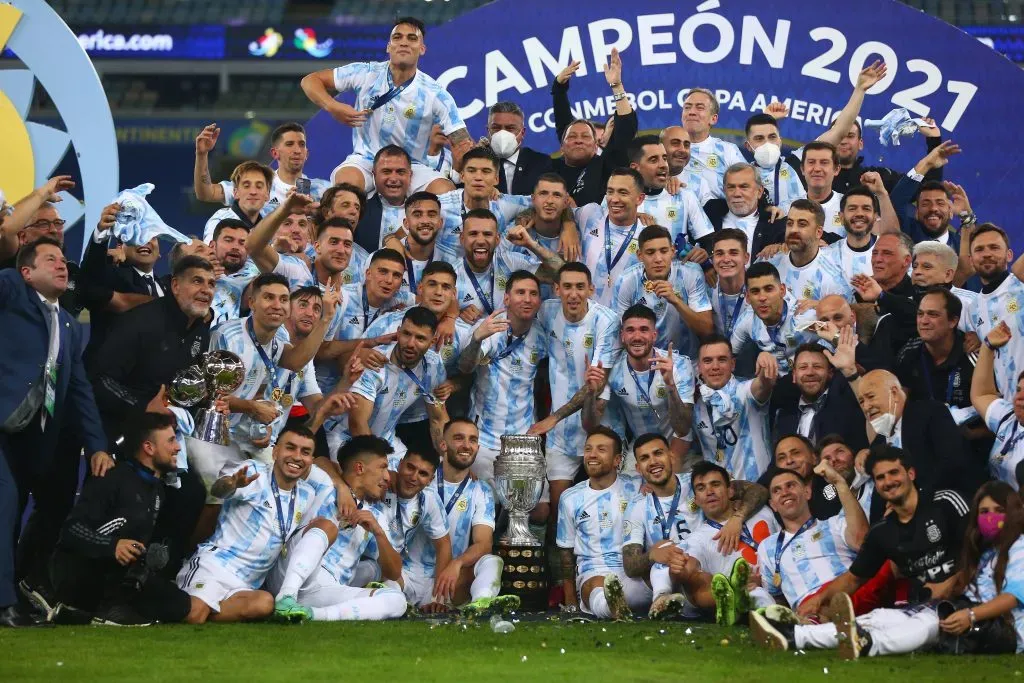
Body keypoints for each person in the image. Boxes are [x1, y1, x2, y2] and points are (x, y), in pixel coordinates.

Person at [751, 480, 1022, 660]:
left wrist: (970, 615)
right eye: (984, 511)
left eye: (998, 510)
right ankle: (795, 636)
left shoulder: (1020, 546)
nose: (990, 518)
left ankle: (868, 644)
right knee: (883, 617)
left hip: (1001, 629)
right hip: (965, 612)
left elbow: (1012, 598)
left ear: (1014, 512)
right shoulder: (984, 550)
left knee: (925, 624)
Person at [0, 238, 111, 627]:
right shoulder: (12, 290)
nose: (62, 265)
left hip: (31, 438)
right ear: (27, 273)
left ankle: (13, 592)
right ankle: (4, 604)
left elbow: (79, 389)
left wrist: (97, 445)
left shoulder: (68, 324)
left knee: (13, 514)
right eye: (51, 260)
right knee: (5, 503)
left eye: (63, 260)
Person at [300, 17, 471, 195]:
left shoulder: (436, 94)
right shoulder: (366, 73)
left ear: (422, 49)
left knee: (444, 191)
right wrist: (333, 106)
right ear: (389, 46)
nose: (403, 42)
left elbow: (463, 141)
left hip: (412, 166)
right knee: (345, 184)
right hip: (366, 160)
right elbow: (310, 81)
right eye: (397, 37)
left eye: (412, 38)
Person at [49, 412, 190, 626]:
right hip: (81, 571)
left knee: (181, 605)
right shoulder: (111, 477)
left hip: (121, 575)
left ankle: (87, 612)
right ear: (149, 447)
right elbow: (71, 530)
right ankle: (99, 609)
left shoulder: (157, 490)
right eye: (171, 441)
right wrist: (112, 545)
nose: (177, 447)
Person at [176, 426, 328, 623]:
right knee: (194, 615)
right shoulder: (254, 472)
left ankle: (199, 607)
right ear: (275, 452)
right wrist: (231, 484)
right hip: (215, 565)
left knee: (265, 604)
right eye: (290, 448)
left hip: (247, 584)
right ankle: (185, 603)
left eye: (305, 452)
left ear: (311, 461)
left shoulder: (307, 494)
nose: (297, 457)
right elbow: (218, 490)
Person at [800, 446, 969, 618]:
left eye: (894, 473)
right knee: (878, 622)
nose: (888, 482)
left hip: (971, 593)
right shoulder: (881, 532)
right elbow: (853, 579)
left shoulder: (946, 502)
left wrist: (953, 581)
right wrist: (819, 598)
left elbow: (980, 548)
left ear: (911, 474)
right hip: (924, 611)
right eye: (880, 477)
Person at [827, 329, 975, 495]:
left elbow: (952, 464)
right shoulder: (880, 442)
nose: (866, 406)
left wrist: (916, 499)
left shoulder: (930, 414)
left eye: (871, 397)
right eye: (862, 401)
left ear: (894, 393)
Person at [529, 263, 620, 529]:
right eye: (567, 287)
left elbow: (596, 382)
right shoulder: (547, 311)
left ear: (591, 289)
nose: (573, 294)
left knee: (606, 508)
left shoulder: (606, 321)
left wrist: (554, 417)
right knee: (559, 514)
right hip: (561, 437)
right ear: (556, 289)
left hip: (600, 425)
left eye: (580, 287)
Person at [209, 273, 336, 460]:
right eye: (269, 297)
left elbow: (293, 364)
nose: (277, 305)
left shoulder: (278, 340)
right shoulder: (227, 336)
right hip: (215, 434)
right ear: (252, 303)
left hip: (255, 439)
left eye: (283, 299)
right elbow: (211, 397)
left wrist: (327, 318)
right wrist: (252, 408)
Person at [648, 461, 778, 623]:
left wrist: (738, 518)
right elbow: (684, 567)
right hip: (752, 592)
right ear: (696, 499)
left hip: (786, 580)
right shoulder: (699, 538)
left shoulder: (761, 511)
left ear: (730, 491)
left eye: (715, 484)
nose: (709, 492)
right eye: (701, 488)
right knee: (756, 594)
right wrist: (676, 569)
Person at [403, 419, 510, 613]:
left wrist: (457, 563)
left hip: (450, 580)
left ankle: (479, 608)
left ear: (478, 448)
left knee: (492, 561)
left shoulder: (482, 490)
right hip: (409, 575)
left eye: (472, 440)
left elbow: (483, 543)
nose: (467, 445)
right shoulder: (422, 476)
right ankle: (395, 601)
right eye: (459, 438)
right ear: (443, 445)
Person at [362, 262, 465, 451]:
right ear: (420, 288)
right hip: (374, 418)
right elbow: (353, 357)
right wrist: (362, 354)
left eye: (445, 287)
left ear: (454, 294)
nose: (438, 292)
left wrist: (453, 384)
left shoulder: (461, 333)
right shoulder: (387, 323)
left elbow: (469, 375)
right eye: (432, 284)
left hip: (421, 419)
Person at [458, 271, 547, 483]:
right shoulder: (490, 328)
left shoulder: (542, 335)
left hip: (523, 437)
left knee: (532, 501)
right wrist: (477, 339)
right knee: (484, 498)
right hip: (484, 436)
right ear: (506, 298)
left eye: (533, 294)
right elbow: (465, 367)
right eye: (520, 292)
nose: (527, 299)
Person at [328, 307, 449, 464]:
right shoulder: (373, 362)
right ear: (398, 332)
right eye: (406, 334)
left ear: (432, 342)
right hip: (346, 438)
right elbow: (357, 424)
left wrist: (449, 459)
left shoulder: (433, 365)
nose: (411, 344)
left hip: (387, 440)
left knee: (418, 474)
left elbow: (438, 419)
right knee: (376, 478)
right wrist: (380, 465)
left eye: (420, 338)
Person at [583, 305, 695, 470]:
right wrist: (590, 394)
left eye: (644, 330)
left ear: (654, 335)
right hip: (641, 447)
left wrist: (671, 385)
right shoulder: (613, 368)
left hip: (678, 444)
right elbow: (590, 426)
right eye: (630, 330)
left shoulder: (679, 365)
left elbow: (683, 429)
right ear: (622, 336)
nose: (637, 337)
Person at [556, 428, 649, 620]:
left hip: (635, 571)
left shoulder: (636, 486)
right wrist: (571, 602)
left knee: (661, 571)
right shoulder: (570, 498)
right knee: (596, 585)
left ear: (617, 460)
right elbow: (566, 553)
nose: (592, 454)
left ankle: (664, 600)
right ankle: (613, 609)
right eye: (588, 449)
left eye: (601, 449)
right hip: (594, 573)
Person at [756, 464, 868, 614]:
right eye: (777, 490)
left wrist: (839, 482)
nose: (784, 493)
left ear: (807, 492)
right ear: (773, 505)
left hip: (850, 595)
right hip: (807, 612)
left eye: (790, 485)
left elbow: (861, 542)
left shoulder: (835, 523)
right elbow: (775, 597)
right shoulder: (767, 548)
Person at [315, 248, 416, 396]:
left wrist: (449, 317)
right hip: (321, 392)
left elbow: (431, 300)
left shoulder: (401, 299)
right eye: (383, 271)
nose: (389, 280)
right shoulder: (342, 298)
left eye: (396, 275)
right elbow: (318, 352)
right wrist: (363, 347)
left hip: (361, 395)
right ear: (368, 273)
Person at [551, 50, 638, 206]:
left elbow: (625, 128)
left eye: (586, 136)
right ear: (562, 147)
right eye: (572, 137)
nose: (578, 140)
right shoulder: (548, 169)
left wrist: (617, 86)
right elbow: (563, 120)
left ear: (596, 145)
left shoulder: (606, 166)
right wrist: (559, 88)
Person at [613, 225, 713, 358]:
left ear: (673, 251)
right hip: (643, 361)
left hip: (686, 361)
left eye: (664, 251)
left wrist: (676, 301)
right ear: (640, 255)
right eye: (650, 253)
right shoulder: (626, 280)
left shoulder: (691, 273)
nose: (658, 259)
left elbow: (707, 330)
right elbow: (619, 334)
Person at [894, 289, 980, 436]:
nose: (924, 321)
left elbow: (997, 410)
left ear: (953, 321)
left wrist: (972, 435)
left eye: (933, 314)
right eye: (920, 314)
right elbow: (898, 408)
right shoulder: (908, 352)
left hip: (970, 442)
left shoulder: (973, 353)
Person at [452, 210, 562, 322]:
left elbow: (563, 275)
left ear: (497, 239)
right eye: (473, 234)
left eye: (487, 234)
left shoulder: (510, 262)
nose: (480, 241)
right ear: (462, 239)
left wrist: (531, 245)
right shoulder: (451, 276)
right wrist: (456, 313)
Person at [692, 335, 775, 482]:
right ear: (699, 367)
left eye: (722, 360)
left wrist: (765, 359)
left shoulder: (745, 390)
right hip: (719, 491)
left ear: (733, 364)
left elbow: (764, 383)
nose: (715, 366)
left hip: (756, 488)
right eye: (708, 361)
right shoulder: (695, 403)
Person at [194, 122, 330, 211]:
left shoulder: (322, 190)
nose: (297, 150)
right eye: (289, 144)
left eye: (301, 145)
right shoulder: (255, 185)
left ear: (306, 154)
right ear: (275, 153)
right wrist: (202, 154)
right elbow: (207, 193)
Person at [622, 135, 714, 253]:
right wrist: (626, 217)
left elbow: (709, 241)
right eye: (653, 160)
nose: (663, 165)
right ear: (635, 168)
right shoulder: (617, 200)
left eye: (664, 158)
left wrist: (702, 254)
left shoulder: (685, 196)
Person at [771, 343, 867, 451]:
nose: (810, 372)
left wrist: (836, 338)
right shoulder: (784, 416)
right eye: (803, 367)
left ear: (830, 373)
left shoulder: (846, 404)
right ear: (794, 375)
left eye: (817, 367)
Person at [967, 223, 1024, 401]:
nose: (987, 254)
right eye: (979, 249)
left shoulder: (1021, 285)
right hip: (1010, 408)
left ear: (1009, 255)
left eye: (994, 247)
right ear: (971, 260)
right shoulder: (972, 308)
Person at [575, 168, 648, 307]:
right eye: (610, 191)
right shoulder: (590, 214)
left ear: (639, 198)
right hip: (584, 315)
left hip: (622, 317)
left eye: (623, 193)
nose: (614, 199)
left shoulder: (646, 239)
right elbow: (561, 209)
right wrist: (568, 227)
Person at [731, 262, 818, 375]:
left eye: (768, 289)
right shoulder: (747, 320)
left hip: (809, 378)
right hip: (773, 381)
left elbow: (837, 340)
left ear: (782, 290)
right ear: (747, 297)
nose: (762, 297)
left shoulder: (806, 316)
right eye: (755, 291)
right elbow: (729, 355)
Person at [762, 198, 854, 303]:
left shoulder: (834, 280)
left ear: (818, 232)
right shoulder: (769, 263)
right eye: (790, 223)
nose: (793, 230)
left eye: (802, 224)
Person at [850, 232, 919, 367]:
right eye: (875, 253)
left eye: (887, 253)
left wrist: (881, 296)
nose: (877, 259)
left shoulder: (917, 293)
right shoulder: (859, 293)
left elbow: (918, 316)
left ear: (906, 261)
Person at [972, 321, 1024, 489]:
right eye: (1018, 390)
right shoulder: (1009, 418)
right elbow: (981, 394)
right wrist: (987, 347)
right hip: (995, 502)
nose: (1019, 397)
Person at [889, 141, 967, 252]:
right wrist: (926, 164)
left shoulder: (962, 246)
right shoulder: (908, 234)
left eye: (940, 203)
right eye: (925, 204)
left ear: (951, 211)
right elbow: (896, 202)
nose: (933, 208)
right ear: (916, 213)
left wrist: (966, 214)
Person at [703, 163, 786, 260]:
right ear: (724, 191)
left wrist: (780, 247)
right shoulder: (710, 212)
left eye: (744, 187)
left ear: (759, 191)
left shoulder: (775, 223)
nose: (737, 194)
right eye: (731, 187)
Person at [823, 177, 894, 281]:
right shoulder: (826, 257)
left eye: (866, 208)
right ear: (841, 217)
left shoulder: (892, 254)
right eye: (852, 208)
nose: (859, 214)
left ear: (875, 217)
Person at [679, 87, 746, 198]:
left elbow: (748, 184)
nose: (691, 112)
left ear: (713, 119)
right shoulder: (665, 149)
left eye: (700, 108)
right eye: (687, 107)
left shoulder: (728, 150)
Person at [486, 101, 553, 196]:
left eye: (510, 128)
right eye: (496, 128)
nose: (502, 134)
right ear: (488, 130)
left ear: (522, 132)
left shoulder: (541, 163)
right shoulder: (476, 163)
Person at [911, 241, 978, 334]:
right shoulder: (904, 301)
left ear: (948, 275)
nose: (917, 272)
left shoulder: (972, 303)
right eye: (915, 267)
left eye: (926, 267)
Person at [202, 161, 272, 242]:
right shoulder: (219, 221)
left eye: (259, 186)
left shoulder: (271, 221)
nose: (253, 192)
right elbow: (210, 250)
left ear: (267, 194)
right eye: (246, 186)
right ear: (235, 193)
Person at [799, 142, 845, 239]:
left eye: (824, 163)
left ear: (836, 169)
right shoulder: (788, 208)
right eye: (811, 162)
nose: (817, 169)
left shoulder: (849, 206)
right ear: (802, 169)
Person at [659, 126, 715, 205]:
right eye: (675, 143)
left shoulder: (700, 183)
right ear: (660, 147)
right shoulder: (645, 179)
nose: (682, 150)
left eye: (686, 145)